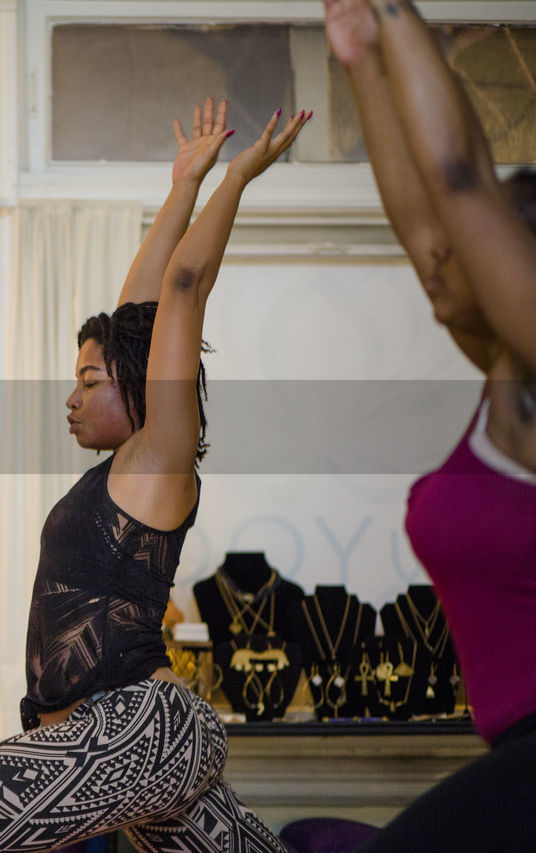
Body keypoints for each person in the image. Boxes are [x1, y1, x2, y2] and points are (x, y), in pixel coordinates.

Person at [0, 100, 309, 853]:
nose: (71, 397)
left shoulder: (160, 453)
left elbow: (181, 289)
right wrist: (182, 186)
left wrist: (235, 178)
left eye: (89, 379)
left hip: (139, 727)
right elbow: (138, 306)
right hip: (129, 740)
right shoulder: (117, 472)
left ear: (136, 388)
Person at [323, 1, 536, 850]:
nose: (441, 253)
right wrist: (361, 58)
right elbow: (423, 226)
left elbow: (457, 180)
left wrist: (395, 12)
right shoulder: (504, 377)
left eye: (470, 241)